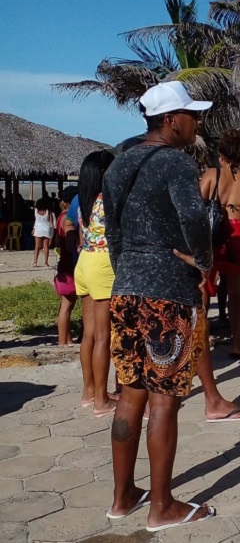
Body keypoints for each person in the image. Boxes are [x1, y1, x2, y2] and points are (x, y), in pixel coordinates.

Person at [103, 80, 216, 530]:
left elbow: (112, 229)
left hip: (127, 287)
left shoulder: (118, 165)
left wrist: (127, 269)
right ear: (171, 121)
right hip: (168, 289)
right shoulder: (176, 162)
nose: (197, 122)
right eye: (192, 115)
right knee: (164, 400)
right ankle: (162, 506)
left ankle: (122, 496)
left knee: (130, 395)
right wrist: (204, 260)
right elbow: (192, 216)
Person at [200, 130, 240, 359]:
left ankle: (201, 343)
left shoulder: (211, 175)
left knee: (204, 287)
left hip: (214, 233)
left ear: (220, 154)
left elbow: (197, 207)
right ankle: (236, 342)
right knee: (236, 292)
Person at [74, 150, 118, 416]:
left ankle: (89, 391)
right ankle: (102, 400)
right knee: (104, 335)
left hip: (85, 262)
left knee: (89, 334)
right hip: (103, 264)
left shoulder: (84, 201)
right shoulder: (107, 200)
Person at [53, 187, 79, 345]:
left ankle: (67, 339)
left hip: (64, 261)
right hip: (69, 263)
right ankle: (62, 341)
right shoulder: (67, 218)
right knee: (66, 306)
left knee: (66, 305)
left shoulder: (60, 217)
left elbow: (57, 241)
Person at [32, 197, 55, 267]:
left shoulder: (36, 211)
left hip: (38, 229)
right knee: (46, 246)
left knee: (37, 246)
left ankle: (35, 262)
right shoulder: (48, 211)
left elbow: (36, 220)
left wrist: (34, 229)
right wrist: (52, 232)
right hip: (46, 229)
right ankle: (46, 262)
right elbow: (51, 222)